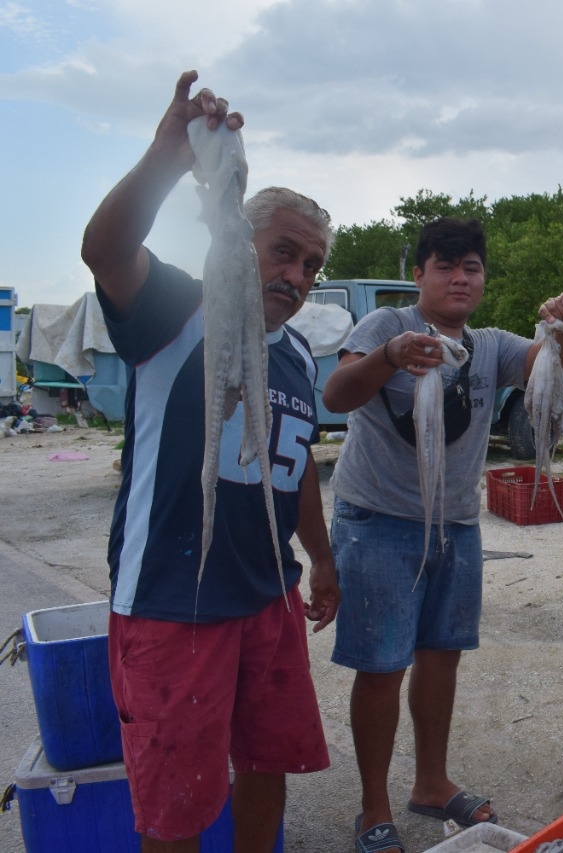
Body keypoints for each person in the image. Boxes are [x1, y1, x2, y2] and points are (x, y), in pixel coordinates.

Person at [80, 71, 339, 852]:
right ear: (235, 234)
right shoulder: (174, 312)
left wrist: (321, 561)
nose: (295, 277)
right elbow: (104, 249)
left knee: (267, 763)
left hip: (268, 597)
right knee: (179, 800)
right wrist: (169, 152)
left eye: (312, 265)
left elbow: (292, 474)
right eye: (283, 253)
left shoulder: (295, 358)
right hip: (172, 603)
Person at [322, 217, 563, 851]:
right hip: (377, 522)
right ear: (420, 275)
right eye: (445, 266)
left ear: (484, 278)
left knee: (442, 656)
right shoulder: (385, 327)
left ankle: (432, 782)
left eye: (471, 268)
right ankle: (374, 805)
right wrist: (390, 358)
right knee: (382, 666)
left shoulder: (491, 344)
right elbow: (335, 395)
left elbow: (554, 365)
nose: (459, 278)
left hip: (458, 526)